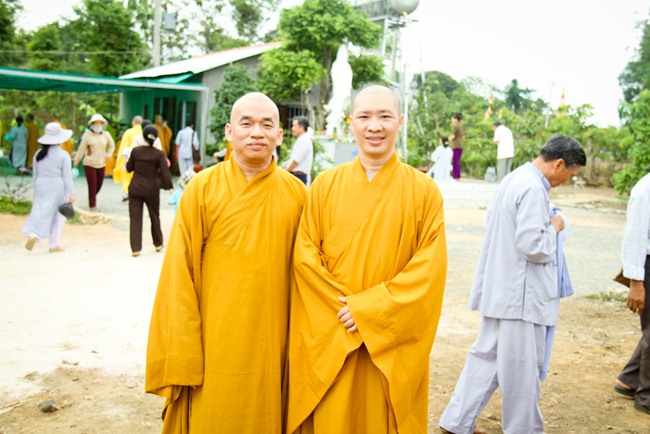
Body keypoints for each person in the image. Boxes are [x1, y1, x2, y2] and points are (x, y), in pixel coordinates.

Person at [286, 85, 447, 433]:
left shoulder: (424, 192)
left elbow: (428, 271)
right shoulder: (325, 185)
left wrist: (369, 310)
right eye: (364, 117)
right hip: (333, 330)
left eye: (385, 116)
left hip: (386, 342)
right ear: (351, 122)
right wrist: (346, 311)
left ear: (400, 121)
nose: (375, 126)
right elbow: (305, 258)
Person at [146, 92, 306, 432]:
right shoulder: (201, 189)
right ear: (229, 132)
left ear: (280, 136)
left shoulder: (298, 195)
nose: (257, 132)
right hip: (213, 337)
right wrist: (183, 347)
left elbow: (310, 276)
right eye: (246, 124)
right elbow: (180, 272)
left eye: (267, 125)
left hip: (272, 338)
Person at [439, 135, 586, 434]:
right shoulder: (533, 188)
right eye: (570, 175)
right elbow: (533, 245)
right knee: (521, 369)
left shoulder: (515, 178)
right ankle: (524, 429)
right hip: (521, 296)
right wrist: (556, 227)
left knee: (486, 359)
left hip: (503, 289)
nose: (566, 182)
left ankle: (456, 422)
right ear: (558, 164)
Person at [613, 172, 650, 416]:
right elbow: (635, 238)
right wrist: (636, 282)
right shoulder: (646, 188)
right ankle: (646, 397)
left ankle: (629, 380)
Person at [22, 122, 75, 253]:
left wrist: (35, 189)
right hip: (57, 186)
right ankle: (53, 244)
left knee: (39, 211)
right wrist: (71, 193)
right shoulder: (63, 155)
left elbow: (35, 174)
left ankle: (34, 234)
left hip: (41, 184)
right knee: (59, 216)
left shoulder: (38, 154)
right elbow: (67, 176)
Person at [125, 125, 172, 257]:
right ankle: (158, 243)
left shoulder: (136, 151)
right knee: (154, 215)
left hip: (135, 188)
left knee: (135, 218)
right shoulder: (159, 154)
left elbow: (129, 168)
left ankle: (135, 248)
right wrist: (168, 186)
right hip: (152, 189)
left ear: (143, 136)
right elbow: (165, 172)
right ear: (155, 138)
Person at [73, 114, 116, 212]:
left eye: (99, 123)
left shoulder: (106, 135)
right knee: (92, 184)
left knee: (99, 184)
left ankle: (91, 197)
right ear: (92, 124)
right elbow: (81, 149)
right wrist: (77, 160)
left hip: (101, 163)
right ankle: (93, 204)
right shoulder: (87, 135)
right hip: (89, 163)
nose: (98, 126)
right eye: (95, 124)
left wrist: (108, 154)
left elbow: (112, 146)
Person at [113, 115, 143, 201]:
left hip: (128, 158)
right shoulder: (144, 132)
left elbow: (123, 146)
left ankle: (127, 192)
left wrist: (120, 159)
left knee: (126, 175)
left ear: (133, 123)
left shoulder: (129, 132)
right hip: (141, 158)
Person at [282, 116, 314, 185]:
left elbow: (296, 160)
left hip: (299, 176)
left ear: (301, 127)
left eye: (294, 126)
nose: (292, 128)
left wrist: (286, 171)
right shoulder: (301, 139)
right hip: (296, 175)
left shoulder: (304, 140)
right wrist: (286, 164)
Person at [449, 113, 464, 180]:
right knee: (457, 160)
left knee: (455, 161)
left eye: (452, 119)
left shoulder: (456, 126)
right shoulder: (461, 125)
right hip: (460, 145)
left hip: (456, 145)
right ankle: (457, 176)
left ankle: (456, 176)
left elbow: (453, 136)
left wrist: (446, 141)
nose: (451, 120)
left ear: (455, 119)